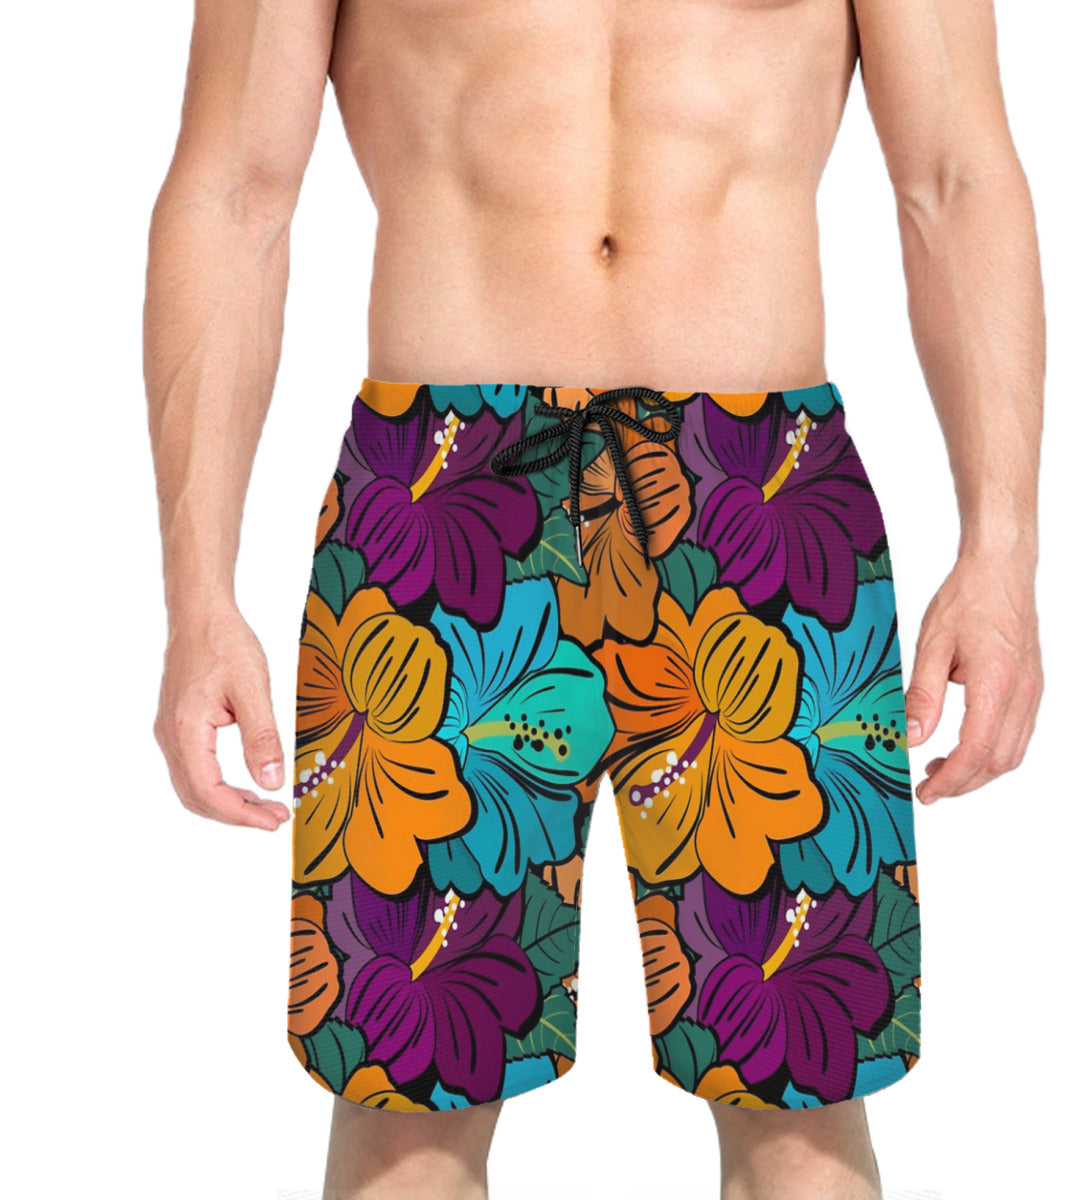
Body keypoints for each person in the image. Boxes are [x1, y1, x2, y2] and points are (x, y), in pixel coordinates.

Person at [145, 1, 1044, 1197]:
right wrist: (197, 595)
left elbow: (956, 178)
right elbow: (233, 193)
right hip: (443, 500)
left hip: (761, 500)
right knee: (408, 1105)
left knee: (801, 1101)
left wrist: (1003, 553)